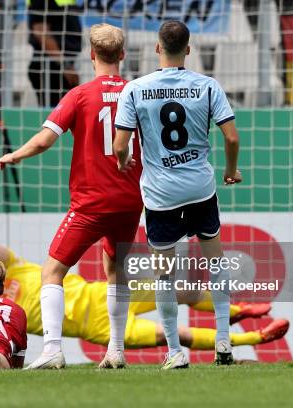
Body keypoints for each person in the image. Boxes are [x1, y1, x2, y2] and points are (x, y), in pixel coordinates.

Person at [0, 24, 143, 369]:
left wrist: (15, 154)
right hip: (130, 200)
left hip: (91, 203)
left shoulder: (80, 95)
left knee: (52, 271)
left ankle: (52, 349)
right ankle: (116, 349)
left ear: (91, 55)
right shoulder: (137, 93)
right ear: (122, 55)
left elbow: (45, 140)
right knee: (116, 269)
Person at [0, 242, 290, 352]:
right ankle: (257, 338)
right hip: (97, 326)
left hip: (99, 294)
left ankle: (238, 312)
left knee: (175, 287)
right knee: (172, 336)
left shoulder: (15, 267)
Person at [113, 21, 242, 369]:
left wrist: (125, 162)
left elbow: (120, 146)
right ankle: (224, 340)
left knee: (164, 274)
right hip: (201, 187)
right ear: (188, 49)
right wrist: (230, 171)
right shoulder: (208, 86)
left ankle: (174, 352)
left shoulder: (135, 90)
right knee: (216, 261)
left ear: (157, 48)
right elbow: (231, 138)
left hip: (161, 195)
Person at [27, 0, 82, 107]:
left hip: (59, 66)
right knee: (56, 117)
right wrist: (65, 65)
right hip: (51, 69)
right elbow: (41, 33)